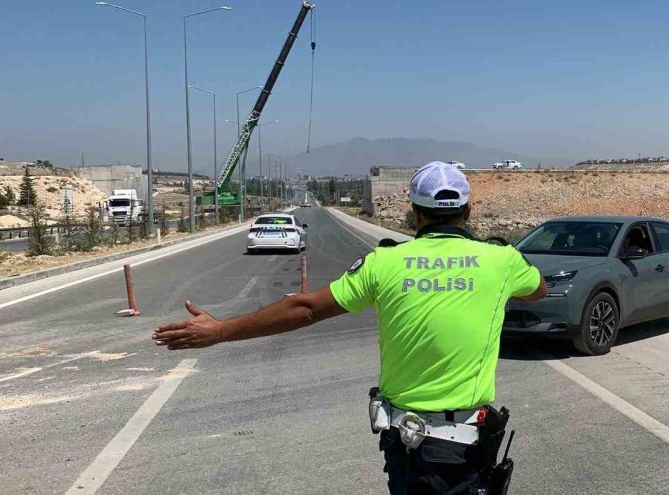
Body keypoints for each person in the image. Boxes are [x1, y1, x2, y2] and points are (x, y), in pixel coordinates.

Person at [151, 161, 547, 494]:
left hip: (405, 444)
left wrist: (220, 331)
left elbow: (304, 309)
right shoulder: (501, 261)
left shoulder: (384, 262)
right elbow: (538, 290)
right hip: (462, 447)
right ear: (468, 211)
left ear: (415, 213)